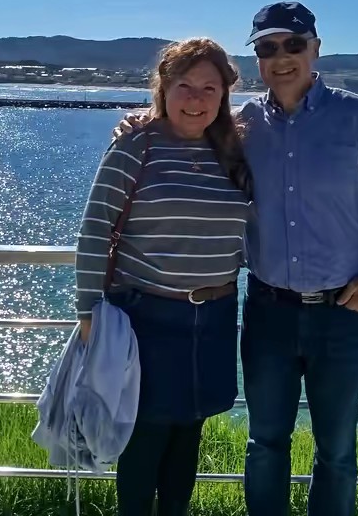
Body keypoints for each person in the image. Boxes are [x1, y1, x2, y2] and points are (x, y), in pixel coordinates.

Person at [117, 1, 358, 516]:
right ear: (257, 57)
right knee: (265, 444)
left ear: (315, 49)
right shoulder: (241, 125)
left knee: (337, 451)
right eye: (267, 47)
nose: (281, 57)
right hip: (267, 311)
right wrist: (142, 125)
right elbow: (187, 134)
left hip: (343, 314)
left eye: (293, 44)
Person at [75, 37, 252, 516]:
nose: (196, 99)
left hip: (214, 317)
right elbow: (95, 229)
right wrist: (87, 314)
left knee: (190, 431)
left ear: (224, 95)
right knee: (145, 435)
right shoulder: (137, 143)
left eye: (209, 88)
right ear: (163, 88)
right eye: (184, 86)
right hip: (146, 318)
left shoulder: (234, 149)